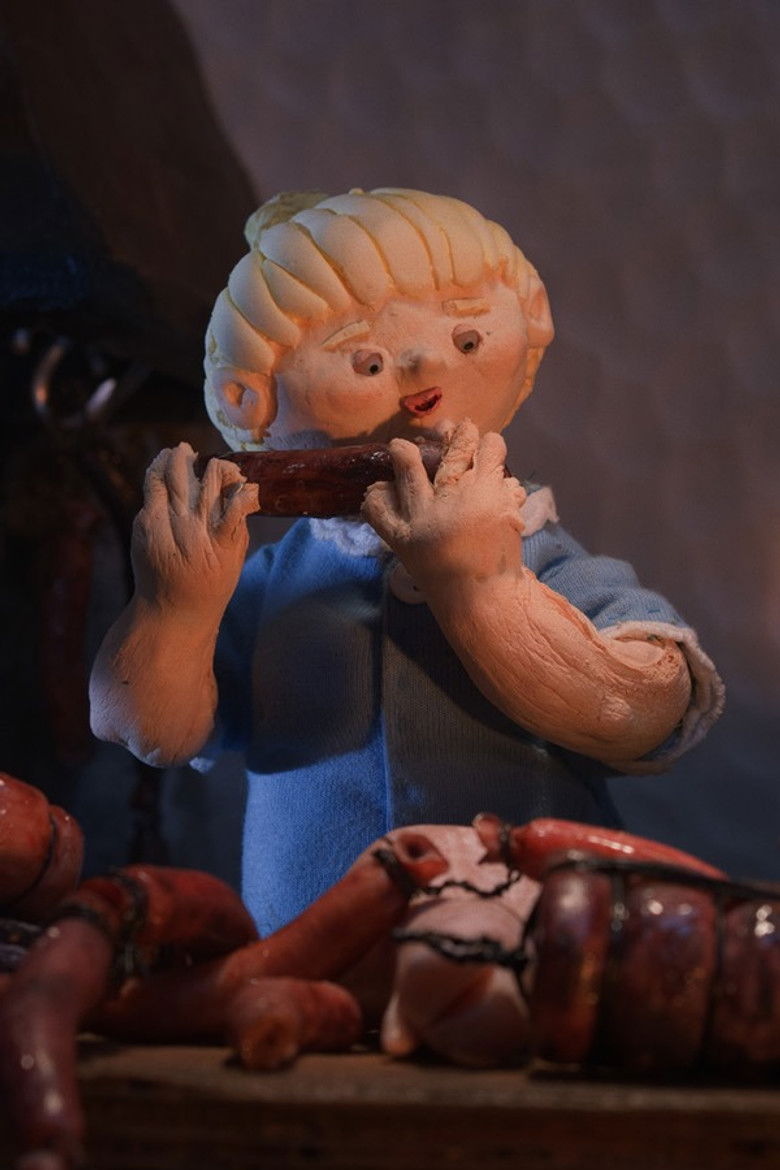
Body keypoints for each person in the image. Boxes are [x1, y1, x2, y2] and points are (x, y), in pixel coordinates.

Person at [90, 188, 723, 934]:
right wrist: (175, 609)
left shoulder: (537, 554)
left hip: (529, 933)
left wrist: (480, 587)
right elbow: (154, 729)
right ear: (253, 402)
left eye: (466, 338)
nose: (425, 371)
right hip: (308, 941)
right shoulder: (269, 587)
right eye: (366, 359)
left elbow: (646, 708)